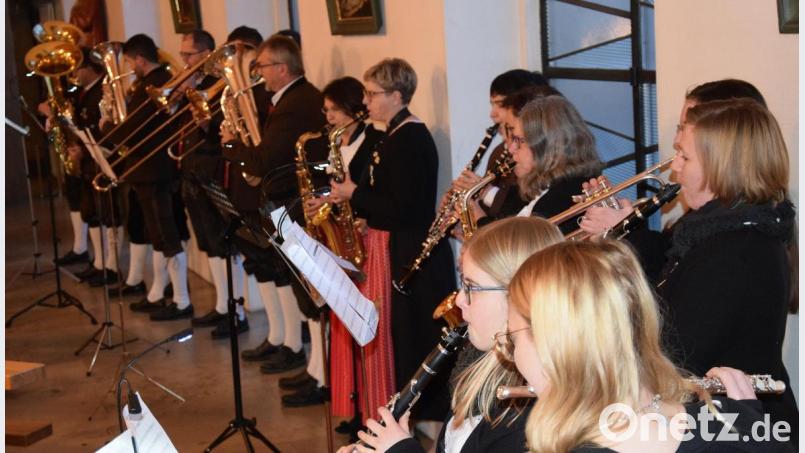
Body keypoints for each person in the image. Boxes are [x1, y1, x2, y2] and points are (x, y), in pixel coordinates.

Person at [580, 88, 798, 445]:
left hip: (733, 430)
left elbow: (674, 354)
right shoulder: (714, 231)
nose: (675, 167)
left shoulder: (734, 251)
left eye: (684, 156)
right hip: (711, 420)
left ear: (721, 166)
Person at [505, 240, 795, 452]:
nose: (512, 355)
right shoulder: (733, 427)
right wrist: (750, 424)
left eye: (512, 339)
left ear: (553, 343)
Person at [342, 217, 563, 453]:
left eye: (471, 287)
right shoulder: (475, 363)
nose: (459, 300)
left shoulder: (527, 408)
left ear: (519, 296)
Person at [329, 58, 457, 422]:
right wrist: (367, 216)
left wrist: (354, 194)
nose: (365, 101)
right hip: (395, 243)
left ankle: (411, 418)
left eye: (372, 94)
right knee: (398, 336)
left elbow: (406, 207)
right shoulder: (395, 133)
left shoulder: (411, 139)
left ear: (397, 96)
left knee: (409, 337)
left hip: (409, 250)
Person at [222, 34, 326, 374]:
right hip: (286, 201)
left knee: (307, 290)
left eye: (262, 66)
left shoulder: (295, 104)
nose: (258, 73)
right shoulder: (292, 99)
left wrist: (232, 145)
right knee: (298, 284)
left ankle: (318, 372)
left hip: (292, 204)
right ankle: (313, 368)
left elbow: (264, 160)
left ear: (282, 68)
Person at [281, 76, 384, 409]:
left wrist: (333, 200)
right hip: (337, 232)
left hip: (361, 236)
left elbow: (367, 189)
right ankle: (327, 379)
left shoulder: (373, 140)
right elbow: (332, 185)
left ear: (353, 109)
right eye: (326, 111)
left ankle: (351, 392)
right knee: (331, 310)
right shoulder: (334, 142)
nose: (328, 118)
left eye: (334, 110)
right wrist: (320, 200)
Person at [100, 34, 193, 321]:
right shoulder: (153, 82)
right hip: (150, 171)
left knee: (166, 235)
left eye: (129, 61)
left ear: (140, 60)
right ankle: (162, 293)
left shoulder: (154, 85)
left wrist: (107, 128)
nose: (129, 67)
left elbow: (134, 131)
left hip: (155, 171)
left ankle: (181, 300)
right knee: (159, 236)